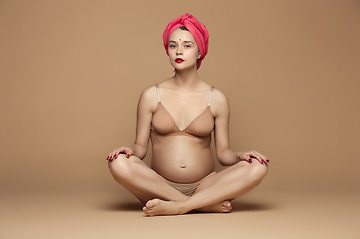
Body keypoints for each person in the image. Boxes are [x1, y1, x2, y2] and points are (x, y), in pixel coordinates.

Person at [105, 13, 269, 217]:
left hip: (206, 184)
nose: (179, 51)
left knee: (258, 167)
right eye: (173, 46)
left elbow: (223, 154)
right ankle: (198, 205)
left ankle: (178, 206)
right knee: (117, 162)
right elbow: (140, 149)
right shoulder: (150, 95)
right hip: (159, 185)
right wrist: (128, 150)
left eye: (187, 46)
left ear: (200, 52)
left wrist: (241, 156)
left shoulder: (216, 98)